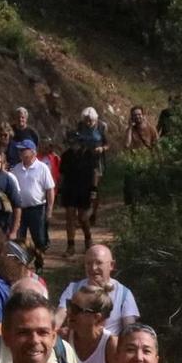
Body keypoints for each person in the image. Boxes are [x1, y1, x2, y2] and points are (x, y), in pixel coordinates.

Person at [54, 244, 140, 335]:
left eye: (98, 263)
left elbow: (129, 331)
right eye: (89, 263)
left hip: (110, 347)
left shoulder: (124, 294)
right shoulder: (73, 289)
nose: (93, 268)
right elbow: (58, 318)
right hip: (77, 345)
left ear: (111, 265)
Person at [59, 106, 108, 253]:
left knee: (82, 217)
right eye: (70, 142)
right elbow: (62, 173)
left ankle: (88, 237)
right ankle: (71, 245)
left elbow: (94, 171)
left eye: (75, 142)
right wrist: (60, 189)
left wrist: (93, 189)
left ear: (80, 142)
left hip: (84, 187)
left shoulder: (88, 154)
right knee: (69, 217)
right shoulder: (66, 156)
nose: (73, 145)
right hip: (70, 188)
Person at [7, 139, 55, 265]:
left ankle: (39, 262)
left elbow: (50, 190)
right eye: (20, 150)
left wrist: (49, 209)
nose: (20, 152)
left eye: (23, 150)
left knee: (39, 238)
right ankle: (21, 265)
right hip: (20, 210)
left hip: (37, 208)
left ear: (33, 152)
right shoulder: (16, 169)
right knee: (19, 238)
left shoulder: (42, 168)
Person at [65, 283, 117, 363]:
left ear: (97, 317)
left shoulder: (111, 345)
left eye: (76, 309)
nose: (68, 312)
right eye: (69, 305)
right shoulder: (63, 339)